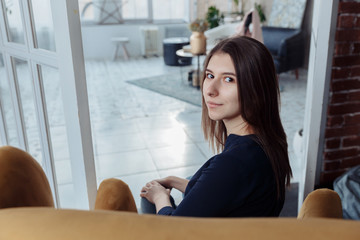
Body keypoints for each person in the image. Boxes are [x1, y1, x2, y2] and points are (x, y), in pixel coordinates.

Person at [140, 36, 292, 217]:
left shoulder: (234, 163)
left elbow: (173, 232)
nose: (210, 90)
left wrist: (160, 198)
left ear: (256, 89)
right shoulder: (269, 141)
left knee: (148, 200)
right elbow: (223, 191)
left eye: (228, 80)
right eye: (210, 75)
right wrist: (173, 181)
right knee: (187, 181)